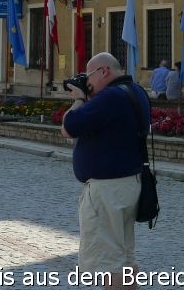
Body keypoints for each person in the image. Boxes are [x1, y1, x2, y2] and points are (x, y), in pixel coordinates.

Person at [61, 52, 150, 289]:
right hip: (128, 184)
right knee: (123, 258)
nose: (87, 83)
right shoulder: (135, 91)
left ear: (104, 72)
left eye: (88, 76)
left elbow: (69, 127)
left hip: (107, 191)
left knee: (108, 265)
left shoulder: (110, 98)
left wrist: (79, 98)